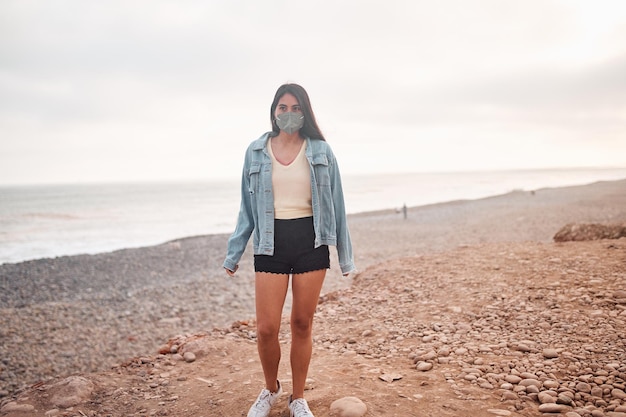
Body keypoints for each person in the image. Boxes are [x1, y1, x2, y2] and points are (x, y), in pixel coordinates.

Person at [223, 83, 356, 417]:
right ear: (273, 112)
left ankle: (298, 397)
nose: (289, 114)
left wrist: (345, 254)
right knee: (266, 328)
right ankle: (271, 389)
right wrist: (234, 253)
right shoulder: (256, 152)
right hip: (270, 243)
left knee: (301, 323)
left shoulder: (321, 151)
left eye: (296, 108)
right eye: (283, 108)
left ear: (305, 113)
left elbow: (337, 205)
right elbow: (246, 207)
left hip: (311, 242)